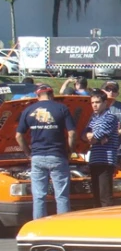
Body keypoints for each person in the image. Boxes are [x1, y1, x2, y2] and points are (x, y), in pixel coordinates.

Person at [15, 84, 77, 219]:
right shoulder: (62, 108)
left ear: (37, 96)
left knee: (38, 196)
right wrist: (70, 151)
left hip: (37, 157)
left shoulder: (28, 110)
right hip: (58, 155)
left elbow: (18, 135)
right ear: (52, 94)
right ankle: (62, 227)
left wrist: (28, 153)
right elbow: (72, 133)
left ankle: (39, 228)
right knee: (61, 196)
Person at [84, 89, 119, 207]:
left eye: (97, 102)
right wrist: (93, 137)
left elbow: (95, 137)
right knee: (96, 197)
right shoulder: (93, 118)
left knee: (105, 197)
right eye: (92, 102)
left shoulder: (110, 117)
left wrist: (94, 137)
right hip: (94, 159)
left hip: (105, 161)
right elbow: (84, 136)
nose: (94, 105)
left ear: (105, 103)